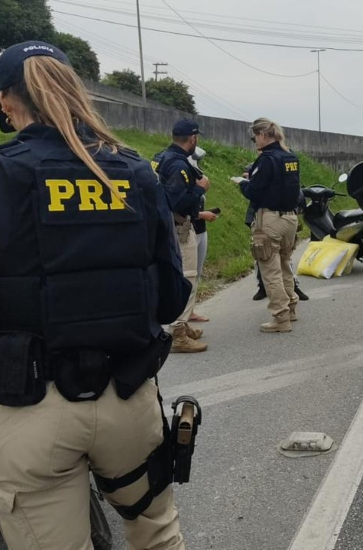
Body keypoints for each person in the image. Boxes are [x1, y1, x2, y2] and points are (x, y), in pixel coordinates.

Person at [0, 40, 190, 549]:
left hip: (30, 407)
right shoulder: (135, 170)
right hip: (127, 399)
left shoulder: (6, 172)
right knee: (159, 534)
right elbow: (172, 299)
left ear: (5, 100)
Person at [237, 118, 300, 332]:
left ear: (263, 135)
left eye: (255, 137)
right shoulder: (290, 156)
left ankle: (280, 317)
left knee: (270, 269)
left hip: (270, 219)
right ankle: (291, 308)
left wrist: (243, 183)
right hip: (290, 219)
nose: (254, 141)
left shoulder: (266, 159)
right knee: (284, 264)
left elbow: (253, 191)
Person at [153, 119, 211, 352]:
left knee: (180, 276)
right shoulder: (178, 165)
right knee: (187, 277)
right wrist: (200, 189)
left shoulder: (160, 157)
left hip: (166, 226)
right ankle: (178, 334)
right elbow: (177, 202)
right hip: (179, 227)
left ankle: (182, 325)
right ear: (193, 138)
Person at [189, 146, 218, 323]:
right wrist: (201, 215)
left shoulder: (197, 178)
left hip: (201, 229)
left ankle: (190, 310)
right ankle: (182, 314)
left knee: (196, 273)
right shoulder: (182, 177)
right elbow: (178, 207)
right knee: (188, 274)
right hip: (188, 229)